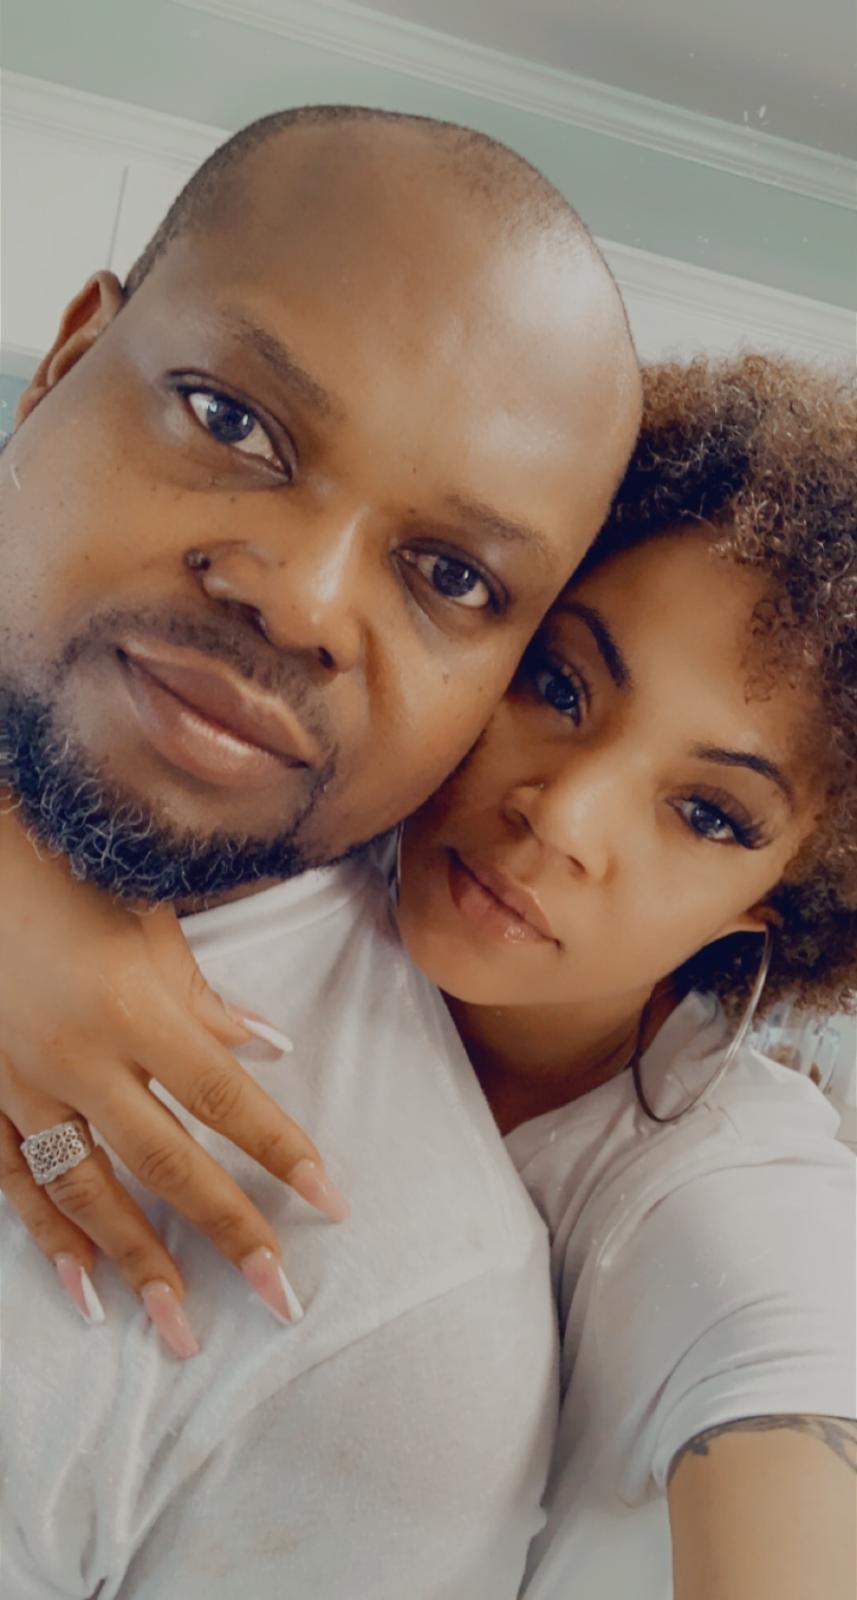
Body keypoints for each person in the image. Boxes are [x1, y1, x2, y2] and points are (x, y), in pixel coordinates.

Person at [3, 355, 856, 1600]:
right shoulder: (300, 822)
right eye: (556, 686)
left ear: (771, 906)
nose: (561, 813)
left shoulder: (727, 1190)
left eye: (707, 814)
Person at [0, 105, 642, 1598]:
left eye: (450, 574)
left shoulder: (396, 1325)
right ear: (67, 360)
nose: (298, 598)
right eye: (232, 421)